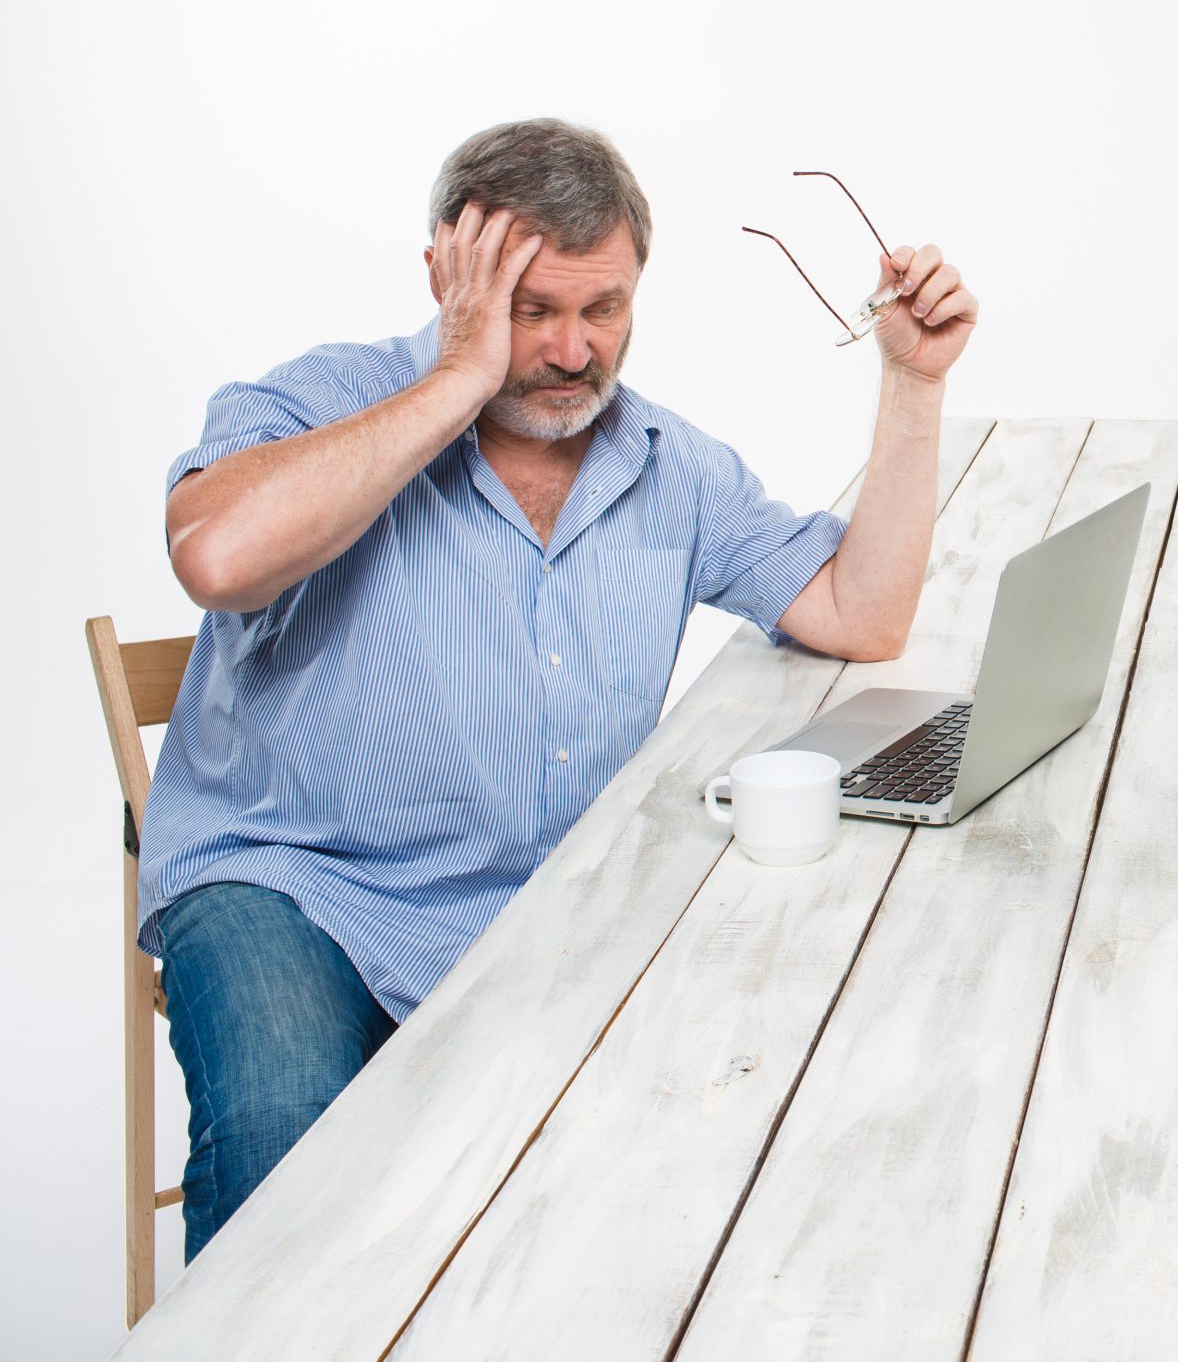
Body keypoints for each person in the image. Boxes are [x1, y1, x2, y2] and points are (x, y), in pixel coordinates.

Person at [141, 118, 979, 1256]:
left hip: (529, 903)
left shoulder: (668, 465)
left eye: (606, 310)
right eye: (533, 311)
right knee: (285, 1145)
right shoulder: (318, 399)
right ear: (448, 274)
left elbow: (859, 613)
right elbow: (218, 559)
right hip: (295, 885)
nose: (576, 353)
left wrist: (912, 385)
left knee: (743, 1122)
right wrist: (459, 374)